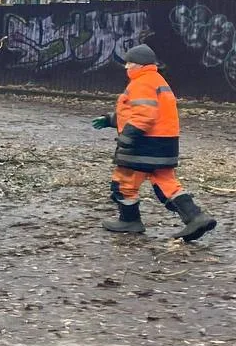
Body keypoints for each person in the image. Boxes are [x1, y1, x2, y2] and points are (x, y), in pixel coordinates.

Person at [93, 44, 217, 241]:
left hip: (143, 145)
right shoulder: (157, 81)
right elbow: (141, 112)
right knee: (166, 183)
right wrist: (110, 119)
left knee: (124, 182)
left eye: (129, 63)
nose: (126, 67)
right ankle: (196, 217)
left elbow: (144, 116)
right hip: (164, 144)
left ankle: (129, 220)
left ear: (140, 64)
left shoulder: (141, 83)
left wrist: (127, 138)